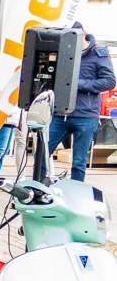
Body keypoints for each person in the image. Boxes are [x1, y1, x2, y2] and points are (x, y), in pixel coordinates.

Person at [47, 21, 116, 181]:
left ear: (82, 34)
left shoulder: (98, 53)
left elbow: (109, 82)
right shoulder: (62, 52)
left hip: (85, 115)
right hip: (60, 113)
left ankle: (76, 191)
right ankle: (38, 189)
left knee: (78, 161)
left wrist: (76, 84)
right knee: (42, 153)